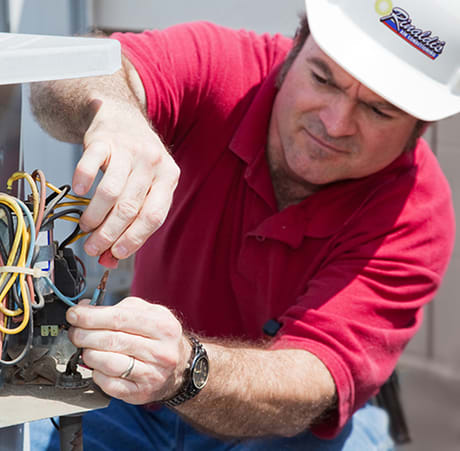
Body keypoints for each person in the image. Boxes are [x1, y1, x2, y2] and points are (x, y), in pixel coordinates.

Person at [28, 0, 458, 449]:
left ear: (420, 127)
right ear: (295, 48)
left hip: (277, 430)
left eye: (379, 111)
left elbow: (312, 381)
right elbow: (73, 70)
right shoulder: (225, 67)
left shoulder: (414, 214)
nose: (334, 123)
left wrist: (182, 369)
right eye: (322, 78)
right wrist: (115, 112)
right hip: (130, 405)